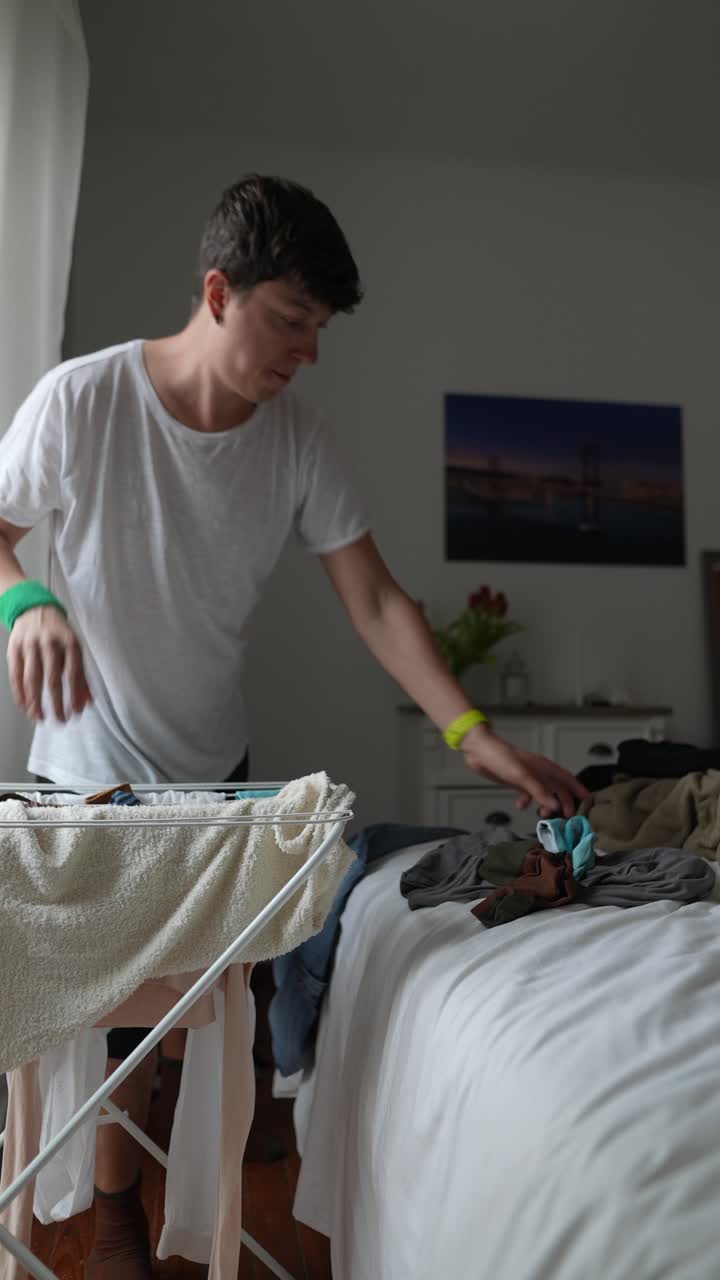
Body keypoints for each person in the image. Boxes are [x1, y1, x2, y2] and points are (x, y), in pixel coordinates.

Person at [0, 174, 589, 1276]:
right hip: (87, 772)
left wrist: (475, 736)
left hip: (215, 765)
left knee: (208, 1006)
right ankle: (121, 1215)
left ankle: (197, 1208)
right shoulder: (82, 400)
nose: (306, 351)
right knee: (125, 1021)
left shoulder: (297, 440)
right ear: (216, 292)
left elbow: (374, 599)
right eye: (288, 321)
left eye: (318, 329)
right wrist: (24, 598)